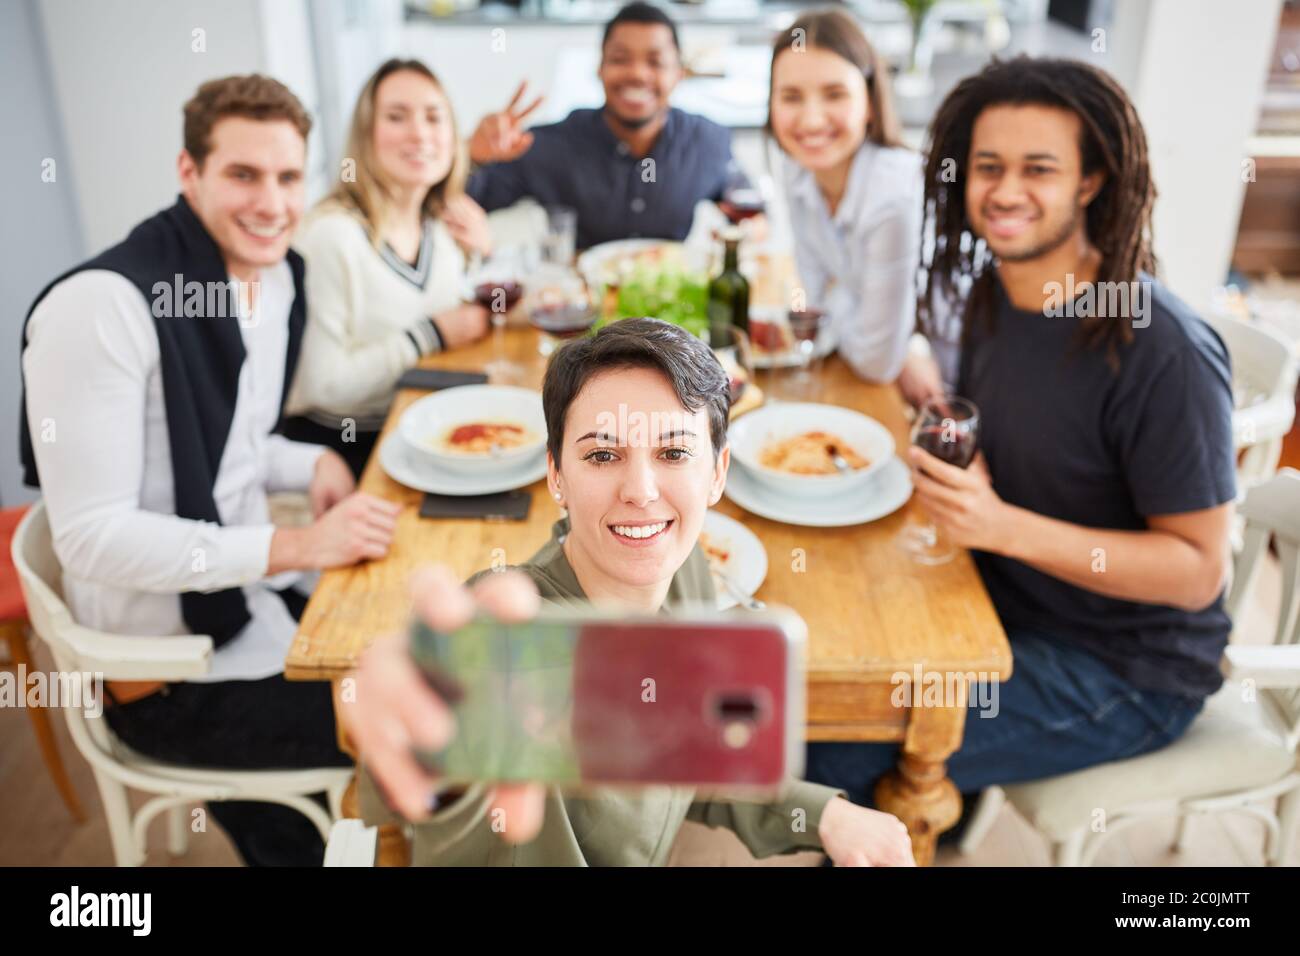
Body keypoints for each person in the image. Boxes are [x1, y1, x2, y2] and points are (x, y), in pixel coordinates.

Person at [805, 57, 1237, 824]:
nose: (1005, 192)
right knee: (811, 648)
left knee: (826, 747)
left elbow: (1198, 571)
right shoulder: (991, 293)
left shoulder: (1161, 349)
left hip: (1123, 669)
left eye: (1038, 169)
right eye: (987, 167)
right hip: (998, 595)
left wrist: (1003, 526)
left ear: (1091, 181)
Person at [344, 319, 916, 866]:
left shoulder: (687, 566)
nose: (640, 492)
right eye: (601, 454)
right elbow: (454, 756)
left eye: (672, 453)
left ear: (718, 473)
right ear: (556, 475)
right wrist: (432, 728)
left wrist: (822, 816)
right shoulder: (510, 639)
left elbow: (692, 747)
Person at [19, 75, 402, 866]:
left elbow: (236, 445)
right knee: (408, 723)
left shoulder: (274, 279)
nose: (272, 203)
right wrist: (298, 548)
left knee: (424, 648)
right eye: (242, 174)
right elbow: (91, 539)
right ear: (188, 172)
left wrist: (315, 461)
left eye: (289, 177)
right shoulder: (100, 308)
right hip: (169, 676)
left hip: (247, 603)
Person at [282, 58, 491, 479]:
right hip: (350, 451)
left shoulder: (440, 227)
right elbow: (323, 387)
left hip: (427, 428)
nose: (419, 133)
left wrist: (484, 253)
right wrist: (429, 335)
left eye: (434, 117)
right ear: (365, 136)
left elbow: (459, 310)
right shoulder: (331, 237)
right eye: (397, 117)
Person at [466, 2, 750, 250]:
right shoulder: (552, 145)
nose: (637, 74)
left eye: (655, 61)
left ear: (679, 73)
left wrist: (752, 228)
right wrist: (471, 155)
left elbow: (745, 200)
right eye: (619, 59)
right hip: (583, 304)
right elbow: (471, 195)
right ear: (599, 69)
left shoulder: (708, 141)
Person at [768, 10, 933, 394]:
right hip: (860, 368)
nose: (810, 122)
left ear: (870, 102)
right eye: (791, 96)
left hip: (939, 383)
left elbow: (876, 363)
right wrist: (850, 307)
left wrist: (905, 343)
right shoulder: (797, 168)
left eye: (835, 94)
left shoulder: (894, 200)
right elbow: (810, 297)